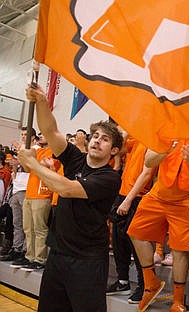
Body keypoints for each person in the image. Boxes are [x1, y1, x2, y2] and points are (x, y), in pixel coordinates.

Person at [22, 84, 123, 312]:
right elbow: (51, 131)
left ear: (114, 151)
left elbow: (67, 189)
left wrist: (32, 164)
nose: (97, 140)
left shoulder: (109, 178)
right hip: (58, 254)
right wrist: (41, 101)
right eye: (95, 136)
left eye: (105, 139)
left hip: (87, 261)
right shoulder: (75, 159)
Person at [127, 135, 189, 312]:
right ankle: (150, 283)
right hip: (158, 195)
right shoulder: (168, 131)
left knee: (180, 251)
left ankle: (178, 300)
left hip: (186, 200)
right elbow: (149, 160)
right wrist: (166, 150)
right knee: (135, 232)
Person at [106, 139, 157, 304]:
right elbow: (117, 147)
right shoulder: (137, 139)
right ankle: (123, 281)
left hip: (137, 196)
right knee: (119, 241)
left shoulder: (155, 141)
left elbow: (147, 173)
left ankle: (145, 285)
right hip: (123, 193)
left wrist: (129, 199)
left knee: (137, 245)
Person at [18, 133, 60, 271]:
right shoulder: (38, 151)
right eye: (40, 134)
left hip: (42, 194)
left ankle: (40, 259)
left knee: (39, 228)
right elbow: (27, 168)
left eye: (43, 135)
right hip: (30, 193)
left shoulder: (53, 152)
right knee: (28, 228)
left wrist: (29, 157)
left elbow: (44, 167)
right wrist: (22, 155)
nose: (41, 136)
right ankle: (30, 256)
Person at [0, 127, 35, 263]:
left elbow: (30, 167)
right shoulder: (21, 151)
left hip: (27, 189)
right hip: (17, 187)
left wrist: (20, 156)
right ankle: (16, 248)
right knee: (17, 223)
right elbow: (17, 171)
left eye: (26, 134)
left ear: (33, 137)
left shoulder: (34, 149)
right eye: (22, 134)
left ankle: (26, 251)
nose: (23, 137)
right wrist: (15, 165)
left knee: (27, 224)